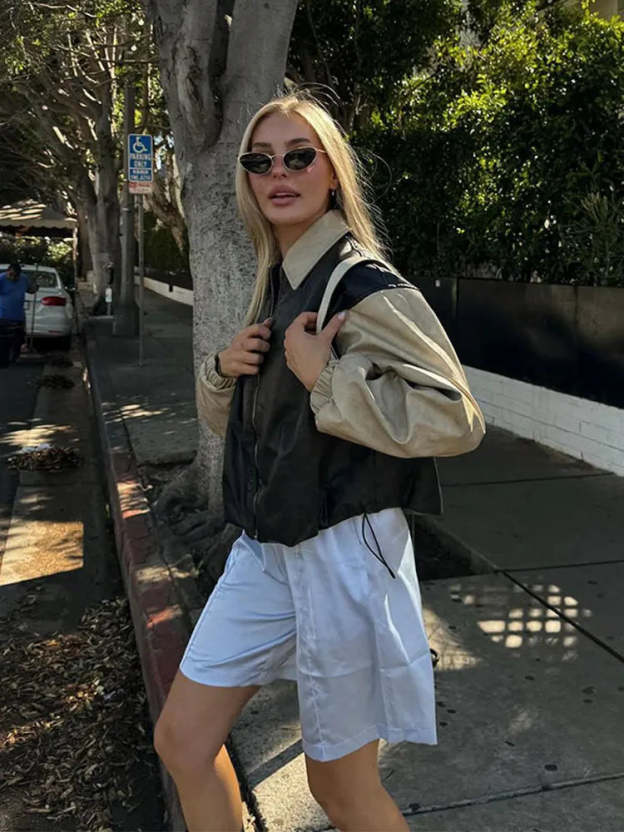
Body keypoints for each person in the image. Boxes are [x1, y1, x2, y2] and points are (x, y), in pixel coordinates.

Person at [154, 92, 486, 832]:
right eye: (261, 160)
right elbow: (253, 429)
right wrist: (223, 371)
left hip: (344, 551)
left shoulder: (363, 284)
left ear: (332, 171)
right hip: (267, 545)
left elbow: (457, 417)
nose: (279, 173)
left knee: (340, 788)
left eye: (299, 156)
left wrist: (326, 377)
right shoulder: (276, 278)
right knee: (182, 741)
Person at [0, 263, 37, 364]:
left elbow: (31, 290)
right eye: (11, 275)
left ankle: (14, 357)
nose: (13, 278)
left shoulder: (24, 279)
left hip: (18, 315)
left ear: (19, 274)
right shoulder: (1, 279)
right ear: (7, 271)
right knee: (3, 340)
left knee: (17, 339)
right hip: (2, 315)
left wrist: (35, 286)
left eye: (16, 276)